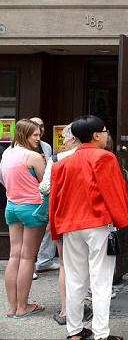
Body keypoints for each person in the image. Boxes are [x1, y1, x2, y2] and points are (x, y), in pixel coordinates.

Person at [49, 115, 128, 340]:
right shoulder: (104, 157)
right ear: (96, 135)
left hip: (69, 225)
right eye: (105, 132)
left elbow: (54, 199)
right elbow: (114, 192)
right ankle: (101, 334)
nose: (107, 136)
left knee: (75, 280)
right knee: (100, 281)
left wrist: (55, 229)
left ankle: (74, 331)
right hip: (98, 224)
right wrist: (122, 219)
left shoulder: (62, 162)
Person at [38, 124, 92, 325]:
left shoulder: (56, 159)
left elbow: (44, 188)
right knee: (87, 263)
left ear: (73, 139)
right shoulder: (93, 156)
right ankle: (80, 307)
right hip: (88, 217)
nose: (63, 141)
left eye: (65, 138)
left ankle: (66, 310)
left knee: (65, 264)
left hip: (63, 217)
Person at [0, 119, 46, 318]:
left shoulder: (6, 154)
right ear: (23, 134)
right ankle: (23, 307)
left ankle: (11, 307)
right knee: (28, 257)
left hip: (12, 206)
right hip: (32, 208)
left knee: (14, 255)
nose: (38, 138)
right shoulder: (33, 156)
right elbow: (46, 184)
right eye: (34, 135)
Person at [30, 117, 57, 279]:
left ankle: (44, 261)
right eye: (35, 128)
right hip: (29, 192)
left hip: (45, 191)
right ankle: (30, 265)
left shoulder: (46, 146)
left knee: (47, 227)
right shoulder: (17, 149)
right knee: (31, 232)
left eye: (41, 126)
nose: (40, 130)